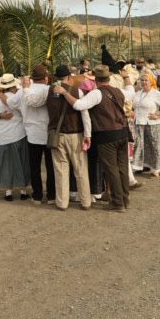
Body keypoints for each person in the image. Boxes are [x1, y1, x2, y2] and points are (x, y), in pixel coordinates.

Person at [47, 65, 98, 210]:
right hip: (75, 134)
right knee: (80, 169)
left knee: (61, 170)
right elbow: (84, 114)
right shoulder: (78, 92)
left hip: (57, 135)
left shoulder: (49, 91)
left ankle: (62, 202)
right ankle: (86, 201)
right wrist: (88, 134)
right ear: (69, 77)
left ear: (56, 77)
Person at [88, 66, 132, 210]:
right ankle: (125, 198)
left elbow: (79, 105)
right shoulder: (118, 91)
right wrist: (126, 78)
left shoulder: (95, 94)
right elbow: (131, 92)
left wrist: (66, 94)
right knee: (123, 167)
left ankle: (118, 202)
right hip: (122, 132)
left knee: (111, 169)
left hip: (106, 135)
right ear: (108, 78)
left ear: (96, 79)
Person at [0, 73, 30, 201]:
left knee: (6, 164)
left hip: (2, 137)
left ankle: (8, 192)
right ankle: (23, 191)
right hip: (19, 134)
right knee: (22, 163)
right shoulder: (19, 97)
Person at [20, 66, 54, 203]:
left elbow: (15, 105)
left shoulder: (24, 92)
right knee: (51, 166)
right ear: (46, 78)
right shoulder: (48, 90)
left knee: (34, 167)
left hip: (32, 134)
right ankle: (52, 195)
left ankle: (37, 195)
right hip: (48, 132)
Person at [132, 73, 160, 176]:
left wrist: (159, 114)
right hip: (139, 124)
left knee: (156, 145)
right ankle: (141, 165)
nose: (144, 82)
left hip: (153, 124)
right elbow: (133, 107)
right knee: (140, 145)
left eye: (146, 80)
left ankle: (157, 167)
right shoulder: (137, 93)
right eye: (142, 80)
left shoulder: (157, 94)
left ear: (151, 82)